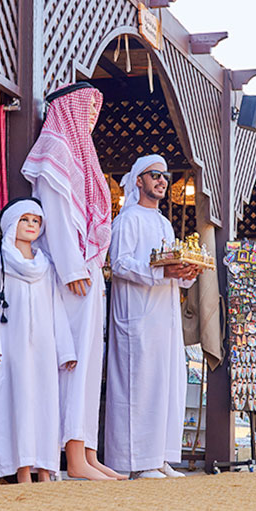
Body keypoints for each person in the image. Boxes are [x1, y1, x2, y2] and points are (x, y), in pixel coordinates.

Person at [21, 82, 123, 479]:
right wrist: (73, 268)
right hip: (71, 275)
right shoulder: (55, 151)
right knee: (73, 362)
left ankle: (89, 452)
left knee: (89, 362)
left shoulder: (80, 153)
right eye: (87, 108)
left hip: (87, 270)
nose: (91, 117)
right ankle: (73, 457)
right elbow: (57, 215)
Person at [104, 155, 198, 479]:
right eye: (154, 175)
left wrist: (186, 272)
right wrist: (159, 273)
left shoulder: (164, 223)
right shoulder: (128, 219)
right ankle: (137, 462)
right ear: (138, 181)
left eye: (165, 176)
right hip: (137, 317)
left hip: (165, 318)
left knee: (168, 385)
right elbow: (119, 263)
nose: (162, 180)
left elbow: (172, 270)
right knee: (138, 388)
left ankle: (159, 457)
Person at [0, 199, 76, 483]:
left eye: (36, 220)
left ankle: (44, 469)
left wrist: (65, 350)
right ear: (12, 224)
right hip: (12, 345)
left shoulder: (46, 264)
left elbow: (57, 308)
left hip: (44, 347)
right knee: (19, 402)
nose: (32, 225)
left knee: (45, 404)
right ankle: (22, 470)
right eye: (25, 219)